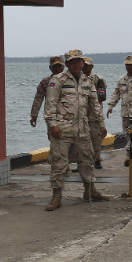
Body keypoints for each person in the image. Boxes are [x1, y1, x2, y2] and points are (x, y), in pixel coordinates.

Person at [43, 50, 110, 211]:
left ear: (83, 63)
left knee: (87, 160)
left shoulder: (88, 82)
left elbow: (95, 105)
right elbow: (50, 104)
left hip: (82, 129)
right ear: (66, 64)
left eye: (79, 61)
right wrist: (53, 125)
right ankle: (57, 196)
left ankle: (90, 191)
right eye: (73, 61)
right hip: (62, 128)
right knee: (59, 163)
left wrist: (101, 124)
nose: (77, 64)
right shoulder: (57, 80)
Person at [106, 55, 132, 167]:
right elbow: (116, 93)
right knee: (128, 135)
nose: (129, 67)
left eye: (131, 64)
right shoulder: (122, 80)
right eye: (127, 65)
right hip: (125, 113)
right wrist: (110, 106)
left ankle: (128, 154)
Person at [82, 57, 107, 169]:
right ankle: (82, 162)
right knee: (82, 142)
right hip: (81, 116)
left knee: (96, 141)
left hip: (94, 115)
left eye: (87, 65)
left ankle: (97, 159)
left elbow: (101, 97)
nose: (85, 67)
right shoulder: (77, 78)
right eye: (84, 65)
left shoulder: (98, 79)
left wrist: (89, 107)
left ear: (91, 66)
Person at [30, 56, 64, 128]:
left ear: (63, 67)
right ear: (50, 68)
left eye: (59, 66)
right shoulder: (45, 82)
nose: (57, 69)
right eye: (55, 66)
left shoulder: (70, 81)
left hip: (69, 116)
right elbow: (38, 99)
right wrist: (34, 115)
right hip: (52, 116)